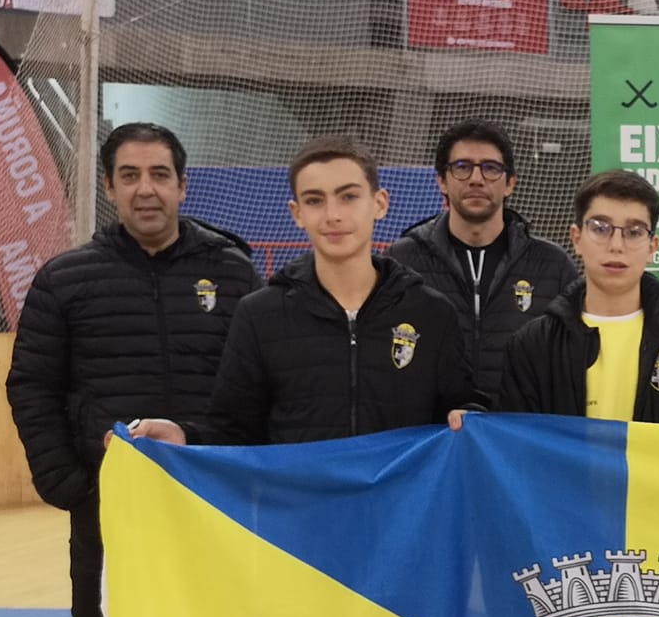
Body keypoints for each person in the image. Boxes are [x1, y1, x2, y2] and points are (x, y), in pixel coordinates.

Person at [5, 121, 261, 617]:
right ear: (111, 187)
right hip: (112, 512)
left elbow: (257, 390)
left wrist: (234, 469)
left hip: (213, 509)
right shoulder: (67, 279)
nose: (145, 188)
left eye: (159, 174)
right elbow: (32, 387)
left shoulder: (235, 273)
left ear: (183, 185)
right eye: (129, 175)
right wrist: (71, 485)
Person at [136, 136, 475, 445]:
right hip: (296, 512)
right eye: (315, 200)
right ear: (297, 213)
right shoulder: (260, 315)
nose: (332, 215)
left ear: (380, 203)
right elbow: (233, 431)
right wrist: (184, 437)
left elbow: (454, 424)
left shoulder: (431, 313)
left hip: (402, 510)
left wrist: (470, 418)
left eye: (349, 197)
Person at [496, 169, 659, 426]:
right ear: (576, 239)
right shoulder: (534, 344)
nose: (616, 245)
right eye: (600, 228)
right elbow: (516, 446)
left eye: (634, 232)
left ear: (652, 247)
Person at [384, 120, 572, 403]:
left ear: (510, 183)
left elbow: (570, 365)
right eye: (462, 167)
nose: (476, 178)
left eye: (490, 168)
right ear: (442, 181)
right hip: (433, 438)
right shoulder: (401, 260)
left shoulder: (553, 265)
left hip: (516, 440)